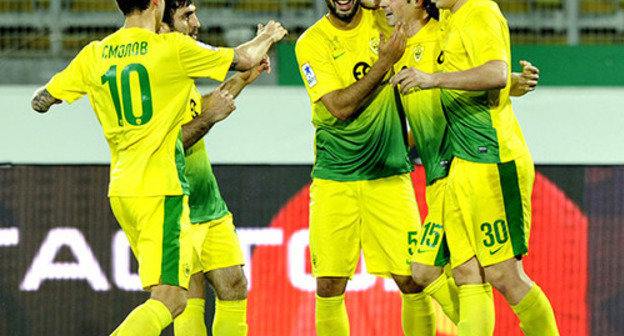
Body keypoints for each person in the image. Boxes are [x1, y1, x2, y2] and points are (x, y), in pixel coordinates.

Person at [30, 0, 286, 334]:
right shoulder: (170, 50)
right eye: (187, 14)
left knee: (188, 292)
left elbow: (41, 100)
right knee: (172, 300)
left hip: (125, 189)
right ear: (156, 4)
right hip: (162, 185)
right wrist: (269, 33)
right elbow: (246, 56)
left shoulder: (93, 54)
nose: (194, 21)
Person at [390, 0, 559, 335]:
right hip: (463, 165)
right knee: (464, 272)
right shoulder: (452, 18)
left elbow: (494, 72)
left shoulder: (481, 10)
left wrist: (433, 79)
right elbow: (477, 71)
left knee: (503, 275)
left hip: (493, 158)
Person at [295, 1, 439, 335]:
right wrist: (384, 63)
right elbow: (339, 107)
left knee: (414, 278)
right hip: (335, 178)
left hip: (388, 174)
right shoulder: (311, 42)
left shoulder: (385, 21)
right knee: (329, 284)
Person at [158, 1, 271, 335]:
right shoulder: (159, 70)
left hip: (208, 201)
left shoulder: (179, 70)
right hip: (177, 203)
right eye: (187, 16)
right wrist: (210, 117)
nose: (197, 23)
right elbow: (165, 145)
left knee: (234, 284)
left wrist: (242, 81)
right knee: (186, 295)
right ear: (164, 26)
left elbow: (199, 110)